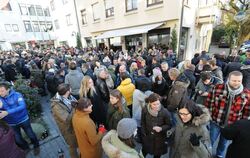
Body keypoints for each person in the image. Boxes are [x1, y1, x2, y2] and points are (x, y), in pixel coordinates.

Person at [205, 71, 250, 158]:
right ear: (228, 79)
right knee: (210, 140)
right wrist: (208, 116)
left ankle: (219, 156)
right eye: (234, 80)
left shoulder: (247, 94)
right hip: (215, 121)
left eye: (239, 81)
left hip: (232, 125)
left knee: (224, 143)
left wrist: (241, 126)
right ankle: (207, 154)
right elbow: (209, 103)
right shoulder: (217, 88)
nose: (236, 83)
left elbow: (246, 112)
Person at [0, 82, 40, 155]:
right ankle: (26, 147)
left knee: (30, 134)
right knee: (18, 139)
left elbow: (22, 106)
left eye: (2, 91)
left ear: (8, 89)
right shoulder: (0, 99)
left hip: (23, 119)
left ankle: (36, 146)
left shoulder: (17, 95)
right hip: (11, 123)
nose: (0, 93)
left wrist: (7, 112)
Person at [50, 83, 78, 158]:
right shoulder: (56, 105)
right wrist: (74, 108)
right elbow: (66, 119)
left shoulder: (68, 97)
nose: (71, 89)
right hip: (68, 129)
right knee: (72, 145)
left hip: (74, 125)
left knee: (77, 142)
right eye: (70, 88)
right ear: (67, 91)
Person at [141, 93, 172, 158]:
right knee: (144, 152)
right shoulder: (145, 110)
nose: (156, 106)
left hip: (159, 139)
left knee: (157, 155)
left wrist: (161, 128)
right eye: (154, 104)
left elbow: (169, 125)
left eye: (158, 104)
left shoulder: (165, 112)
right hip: (148, 137)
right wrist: (144, 134)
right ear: (149, 103)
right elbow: (143, 122)